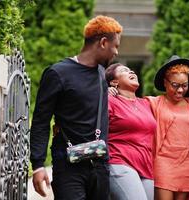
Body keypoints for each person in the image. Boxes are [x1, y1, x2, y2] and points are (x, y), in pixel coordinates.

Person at [30, 15, 122, 200]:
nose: (116, 53)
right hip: (68, 166)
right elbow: (41, 121)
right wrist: (38, 165)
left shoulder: (102, 75)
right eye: (116, 46)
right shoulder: (57, 73)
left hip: (100, 164)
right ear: (103, 42)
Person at [147, 55, 189, 200]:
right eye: (175, 85)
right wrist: (114, 90)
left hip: (186, 163)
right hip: (163, 162)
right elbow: (130, 105)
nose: (181, 90)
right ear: (165, 82)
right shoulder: (154, 103)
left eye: (185, 85)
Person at [105, 63, 157, 200]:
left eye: (131, 70)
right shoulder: (109, 100)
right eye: (124, 71)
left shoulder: (146, 104)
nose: (131, 71)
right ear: (114, 82)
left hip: (146, 166)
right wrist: (103, 93)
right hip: (119, 161)